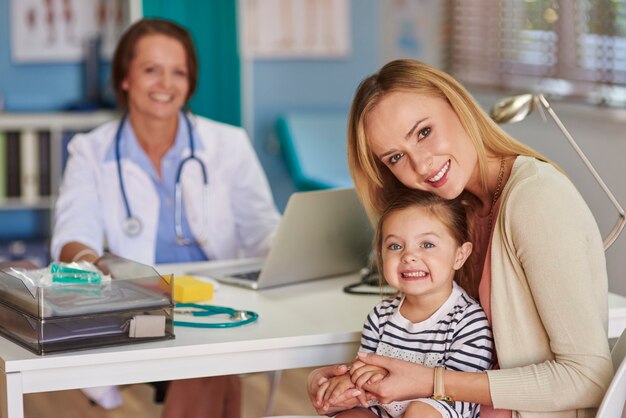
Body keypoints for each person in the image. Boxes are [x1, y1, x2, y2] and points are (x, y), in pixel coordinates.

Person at [308, 59, 613, 417]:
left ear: (458, 105)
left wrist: (433, 383)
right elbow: (427, 343)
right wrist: (340, 379)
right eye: (395, 157)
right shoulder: (451, 211)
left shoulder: (536, 199)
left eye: (423, 132)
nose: (421, 166)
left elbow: (590, 378)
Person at [51, 18, 281, 418]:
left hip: (216, 297)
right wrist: (95, 269)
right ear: (124, 77)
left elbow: (263, 228)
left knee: (208, 361)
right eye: (151, 69)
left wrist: (283, 256)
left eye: (179, 72)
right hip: (136, 300)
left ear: (190, 83)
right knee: (210, 365)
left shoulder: (227, 144)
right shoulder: (91, 151)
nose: (166, 84)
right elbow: (73, 234)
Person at [314, 191, 493, 418]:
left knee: (420, 412)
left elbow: (462, 394)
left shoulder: (468, 321)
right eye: (395, 246)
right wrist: (349, 384)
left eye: (427, 244)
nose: (409, 256)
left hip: (439, 410)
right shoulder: (379, 317)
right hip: (383, 408)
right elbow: (364, 375)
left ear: (460, 255)